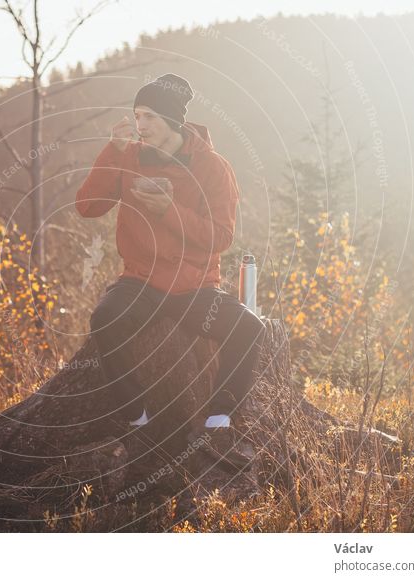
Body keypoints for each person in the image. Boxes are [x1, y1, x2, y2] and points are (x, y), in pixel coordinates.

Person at [75, 73, 266, 470]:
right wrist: (112, 152)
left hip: (195, 286)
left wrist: (168, 211)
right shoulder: (127, 156)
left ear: (173, 121)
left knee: (249, 328)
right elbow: (88, 206)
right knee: (105, 318)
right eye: (137, 115)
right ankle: (135, 415)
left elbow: (221, 237)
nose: (140, 126)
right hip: (141, 279)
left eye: (149, 117)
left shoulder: (213, 168)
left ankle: (219, 416)